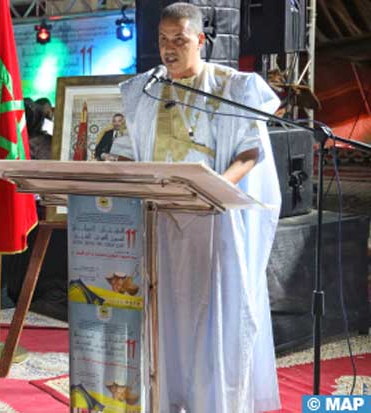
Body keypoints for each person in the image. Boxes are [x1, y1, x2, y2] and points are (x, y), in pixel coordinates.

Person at [119, 3, 281, 412]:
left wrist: (214, 192)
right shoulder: (145, 91)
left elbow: (250, 154)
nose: (169, 49)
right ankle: (166, 399)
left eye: (179, 40)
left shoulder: (232, 87)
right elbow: (125, 153)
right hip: (160, 222)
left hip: (213, 224)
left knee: (213, 322)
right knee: (165, 318)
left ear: (200, 41)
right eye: (163, 40)